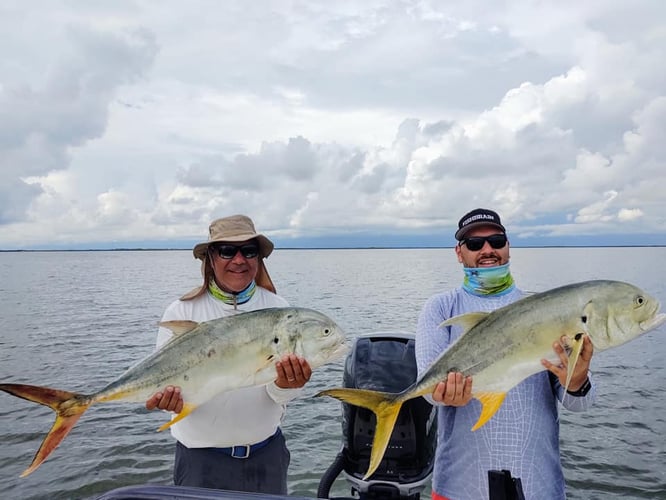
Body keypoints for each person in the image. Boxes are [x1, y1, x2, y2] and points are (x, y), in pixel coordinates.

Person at [415, 208, 596, 500]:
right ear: (459, 253)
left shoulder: (542, 309)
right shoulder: (440, 308)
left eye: (497, 241)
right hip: (459, 487)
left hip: (538, 485)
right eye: (475, 244)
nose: (487, 250)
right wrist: (440, 393)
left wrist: (576, 380)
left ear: (509, 247)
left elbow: (580, 403)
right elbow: (426, 389)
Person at [145, 214, 310, 494]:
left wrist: (288, 386)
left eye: (249, 251)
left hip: (266, 457)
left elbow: (278, 396)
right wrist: (170, 400)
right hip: (200, 462)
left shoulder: (279, 310)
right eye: (226, 251)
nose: (239, 260)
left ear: (258, 258)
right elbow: (165, 381)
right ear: (210, 257)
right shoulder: (182, 312)